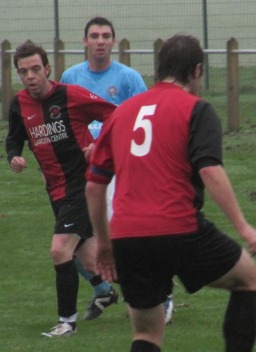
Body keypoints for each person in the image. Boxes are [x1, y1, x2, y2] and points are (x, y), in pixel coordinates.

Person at [86, 34, 256, 352]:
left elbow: (94, 186)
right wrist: (243, 227)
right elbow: (210, 170)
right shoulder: (196, 109)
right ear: (196, 71)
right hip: (179, 227)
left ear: (159, 68)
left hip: (128, 235)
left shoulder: (123, 112)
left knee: (146, 333)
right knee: (248, 278)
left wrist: (105, 243)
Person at [59, 17, 177, 324]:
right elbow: (65, 122)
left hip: (117, 169)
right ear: (84, 41)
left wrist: (108, 148)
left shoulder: (128, 79)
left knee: (124, 239)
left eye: (105, 36)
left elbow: (145, 123)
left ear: (113, 41)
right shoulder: (70, 77)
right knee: (69, 240)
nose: (100, 41)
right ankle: (102, 290)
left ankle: (161, 292)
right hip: (79, 171)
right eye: (94, 36)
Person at [5, 40, 117, 337]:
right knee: (91, 258)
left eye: (35, 69)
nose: (30, 76)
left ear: (47, 69)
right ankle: (153, 283)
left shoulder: (71, 96)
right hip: (55, 190)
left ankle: (67, 323)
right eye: (24, 71)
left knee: (60, 250)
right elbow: (14, 137)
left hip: (82, 184)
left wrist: (99, 145)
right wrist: (13, 156)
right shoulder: (19, 104)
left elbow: (114, 114)